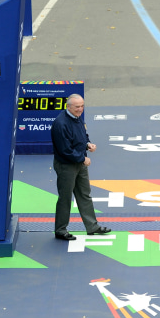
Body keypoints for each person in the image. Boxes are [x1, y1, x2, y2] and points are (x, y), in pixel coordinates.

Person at [51, 94, 111, 240]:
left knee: (84, 194)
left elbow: (81, 134)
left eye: (82, 106)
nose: (80, 109)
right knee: (65, 198)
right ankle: (60, 230)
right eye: (77, 107)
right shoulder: (60, 124)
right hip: (67, 166)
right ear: (68, 106)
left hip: (79, 163)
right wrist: (82, 158)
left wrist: (87, 144)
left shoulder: (76, 118)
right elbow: (65, 149)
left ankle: (92, 226)